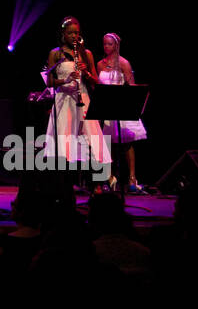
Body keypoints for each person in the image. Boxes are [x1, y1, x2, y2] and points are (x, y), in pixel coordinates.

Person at [42, 16, 111, 183]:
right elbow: (50, 82)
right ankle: (63, 182)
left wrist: (86, 72)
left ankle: (97, 182)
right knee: (64, 140)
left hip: (83, 98)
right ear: (63, 34)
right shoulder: (55, 53)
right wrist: (65, 80)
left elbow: (96, 81)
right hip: (63, 100)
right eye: (70, 33)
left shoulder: (86, 54)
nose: (74, 36)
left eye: (77, 33)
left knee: (91, 138)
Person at [96, 33, 144, 193]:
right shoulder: (100, 64)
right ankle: (110, 178)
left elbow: (132, 86)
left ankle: (132, 178)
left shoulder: (124, 63)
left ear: (116, 45)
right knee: (107, 144)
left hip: (122, 106)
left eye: (109, 44)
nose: (106, 47)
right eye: (104, 44)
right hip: (107, 108)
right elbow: (98, 87)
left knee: (127, 143)